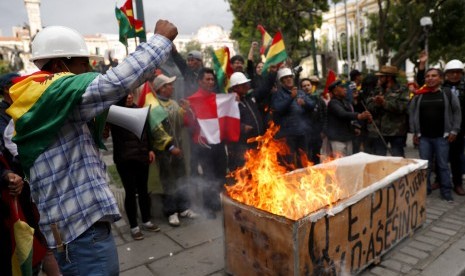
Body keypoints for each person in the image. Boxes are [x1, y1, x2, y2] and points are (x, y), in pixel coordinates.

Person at [6, 20, 178, 275]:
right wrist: (160, 41)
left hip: (71, 234)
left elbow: (20, 139)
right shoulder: (58, 95)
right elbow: (115, 82)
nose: (88, 70)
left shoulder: (33, 104)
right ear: (58, 65)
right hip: (84, 235)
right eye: (82, 64)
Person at [109, 92, 159, 240]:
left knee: (144, 190)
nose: (129, 96)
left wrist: (150, 149)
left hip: (142, 157)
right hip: (125, 160)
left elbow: (147, 132)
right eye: (125, 95)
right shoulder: (115, 115)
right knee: (130, 192)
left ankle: (146, 220)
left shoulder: (139, 111)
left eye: (131, 93)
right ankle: (133, 226)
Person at [152, 74, 198, 226]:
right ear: (161, 88)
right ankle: (171, 211)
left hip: (178, 149)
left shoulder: (173, 103)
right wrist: (170, 147)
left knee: (181, 178)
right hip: (165, 151)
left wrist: (185, 110)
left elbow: (182, 121)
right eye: (169, 85)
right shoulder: (154, 106)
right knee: (168, 181)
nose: (172, 87)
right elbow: (156, 131)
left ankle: (184, 207)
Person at [409, 68, 461, 202]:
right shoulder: (419, 95)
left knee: (443, 165)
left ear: (440, 79)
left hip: (441, 137)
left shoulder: (447, 93)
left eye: (433, 76)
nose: (430, 78)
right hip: (424, 138)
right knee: (424, 166)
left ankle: (446, 191)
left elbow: (457, 112)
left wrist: (454, 130)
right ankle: (425, 189)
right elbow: (413, 113)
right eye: (427, 76)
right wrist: (415, 132)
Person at [185, 68, 228, 219]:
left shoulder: (219, 98)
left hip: (218, 142)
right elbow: (187, 124)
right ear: (200, 82)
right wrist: (188, 113)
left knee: (220, 173)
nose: (210, 82)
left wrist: (232, 103)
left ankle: (217, 200)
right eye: (207, 79)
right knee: (208, 175)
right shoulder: (192, 100)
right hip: (203, 145)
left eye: (212, 79)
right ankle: (208, 206)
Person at [271, 68, 316, 168]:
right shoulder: (278, 94)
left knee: (304, 162)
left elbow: (312, 105)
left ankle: (304, 182)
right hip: (287, 136)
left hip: (302, 133)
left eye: (290, 77)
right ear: (282, 81)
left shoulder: (300, 92)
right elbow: (278, 108)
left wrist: (305, 103)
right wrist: (291, 97)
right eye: (285, 78)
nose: (289, 79)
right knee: (288, 164)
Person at [365, 65, 410, 157]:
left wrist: (384, 103)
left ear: (389, 77)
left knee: (398, 158)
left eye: (381, 76)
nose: (379, 79)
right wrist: (376, 104)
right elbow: (368, 105)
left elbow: (403, 107)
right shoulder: (377, 89)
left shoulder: (402, 89)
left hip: (396, 132)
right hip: (379, 132)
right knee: (379, 158)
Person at [325, 80, 372, 157]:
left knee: (347, 163)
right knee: (340, 164)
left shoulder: (345, 102)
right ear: (335, 92)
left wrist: (354, 128)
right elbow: (342, 114)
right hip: (338, 139)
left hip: (347, 137)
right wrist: (359, 116)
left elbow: (348, 119)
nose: (345, 89)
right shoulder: (333, 103)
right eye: (342, 87)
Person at [300, 78, 327, 164]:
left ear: (312, 86)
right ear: (301, 88)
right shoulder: (299, 101)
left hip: (317, 134)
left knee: (316, 157)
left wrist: (323, 131)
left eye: (308, 85)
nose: (306, 87)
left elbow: (325, 115)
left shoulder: (319, 100)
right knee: (305, 158)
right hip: (304, 134)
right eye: (304, 86)